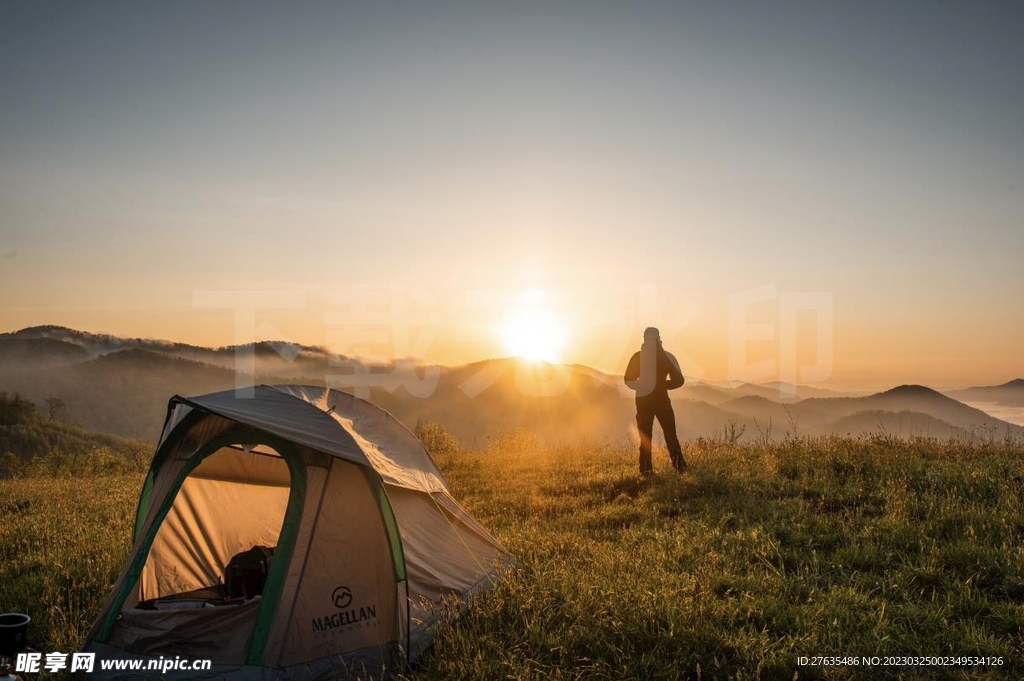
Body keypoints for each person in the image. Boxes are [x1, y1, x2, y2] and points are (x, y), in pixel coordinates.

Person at [623, 327, 686, 475]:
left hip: (643, 402)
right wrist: (662, 385)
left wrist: (644, 386)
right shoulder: (667, 356)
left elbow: (628, 380)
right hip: (662, 401)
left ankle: (646, 470)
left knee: (645, 436)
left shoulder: (637, 357)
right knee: (670, 434)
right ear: (659, 339)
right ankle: (680, 467)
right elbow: (679, 380)